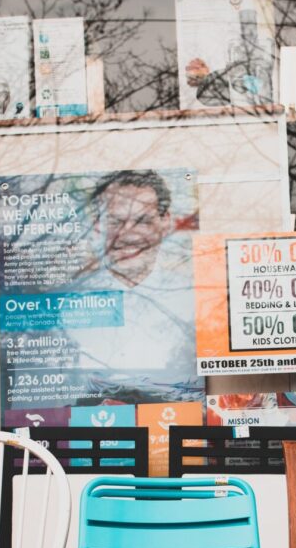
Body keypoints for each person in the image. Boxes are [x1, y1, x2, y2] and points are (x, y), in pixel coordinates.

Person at [69, 170, 202, 405]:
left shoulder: (194, 298)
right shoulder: (69, 304)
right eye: (116, 221)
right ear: (97, 225)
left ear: (165, 221)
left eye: (143, 221)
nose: (128, 234)